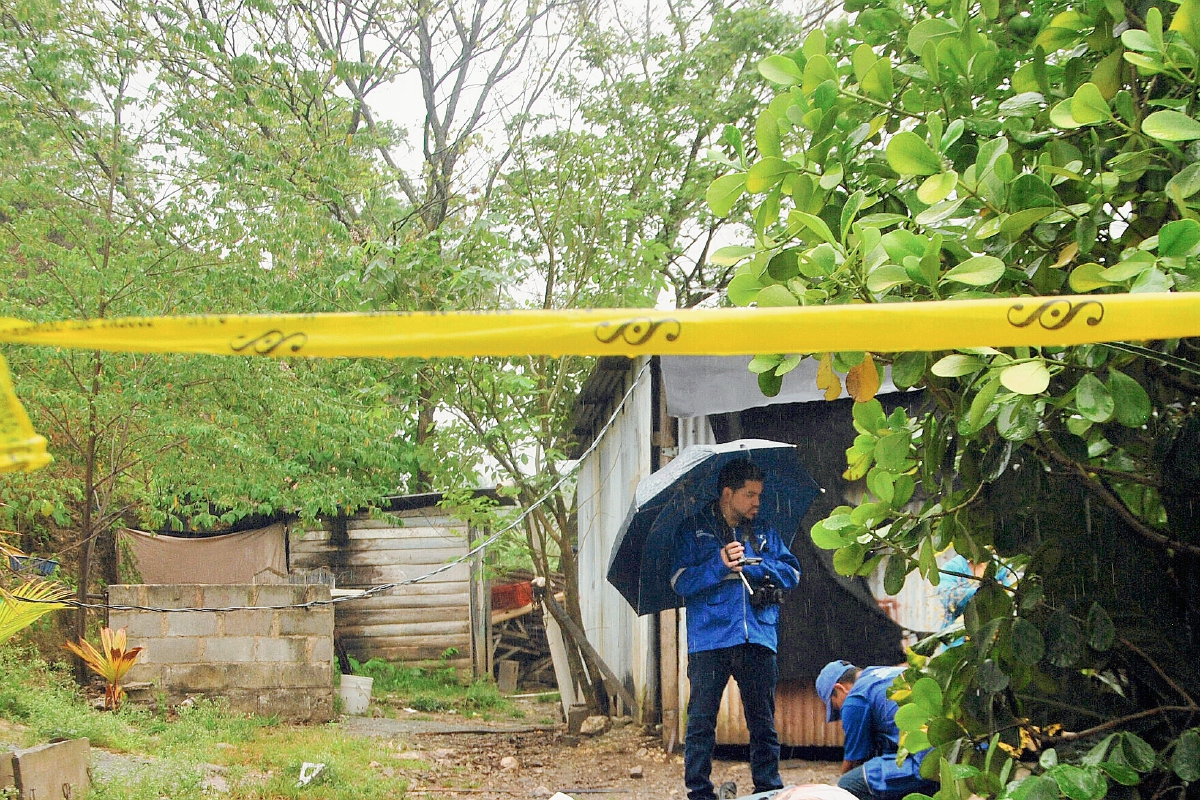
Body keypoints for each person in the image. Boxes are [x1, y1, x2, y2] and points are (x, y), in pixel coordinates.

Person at [670, 459, 802, 800]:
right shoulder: (692, 529)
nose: (757, 502)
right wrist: (718, 563)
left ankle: (768, 789)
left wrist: (755, 566)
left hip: (757, 636)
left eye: (758, 494)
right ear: (728, 494)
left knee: (763, 723)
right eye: (750, 494)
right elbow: (679, 582)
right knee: (700, 723)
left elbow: (792, 573)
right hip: (709, 640)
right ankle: (699, 792)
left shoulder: (766, 531)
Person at [816, 660, 940, 800]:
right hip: (948, 750)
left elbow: (854, 760)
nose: (841, 714)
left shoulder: (854, 698)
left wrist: (835, 790)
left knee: (849, 784)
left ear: (839, 688)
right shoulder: (882, 674)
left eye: (836, 708)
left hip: (924, 763)